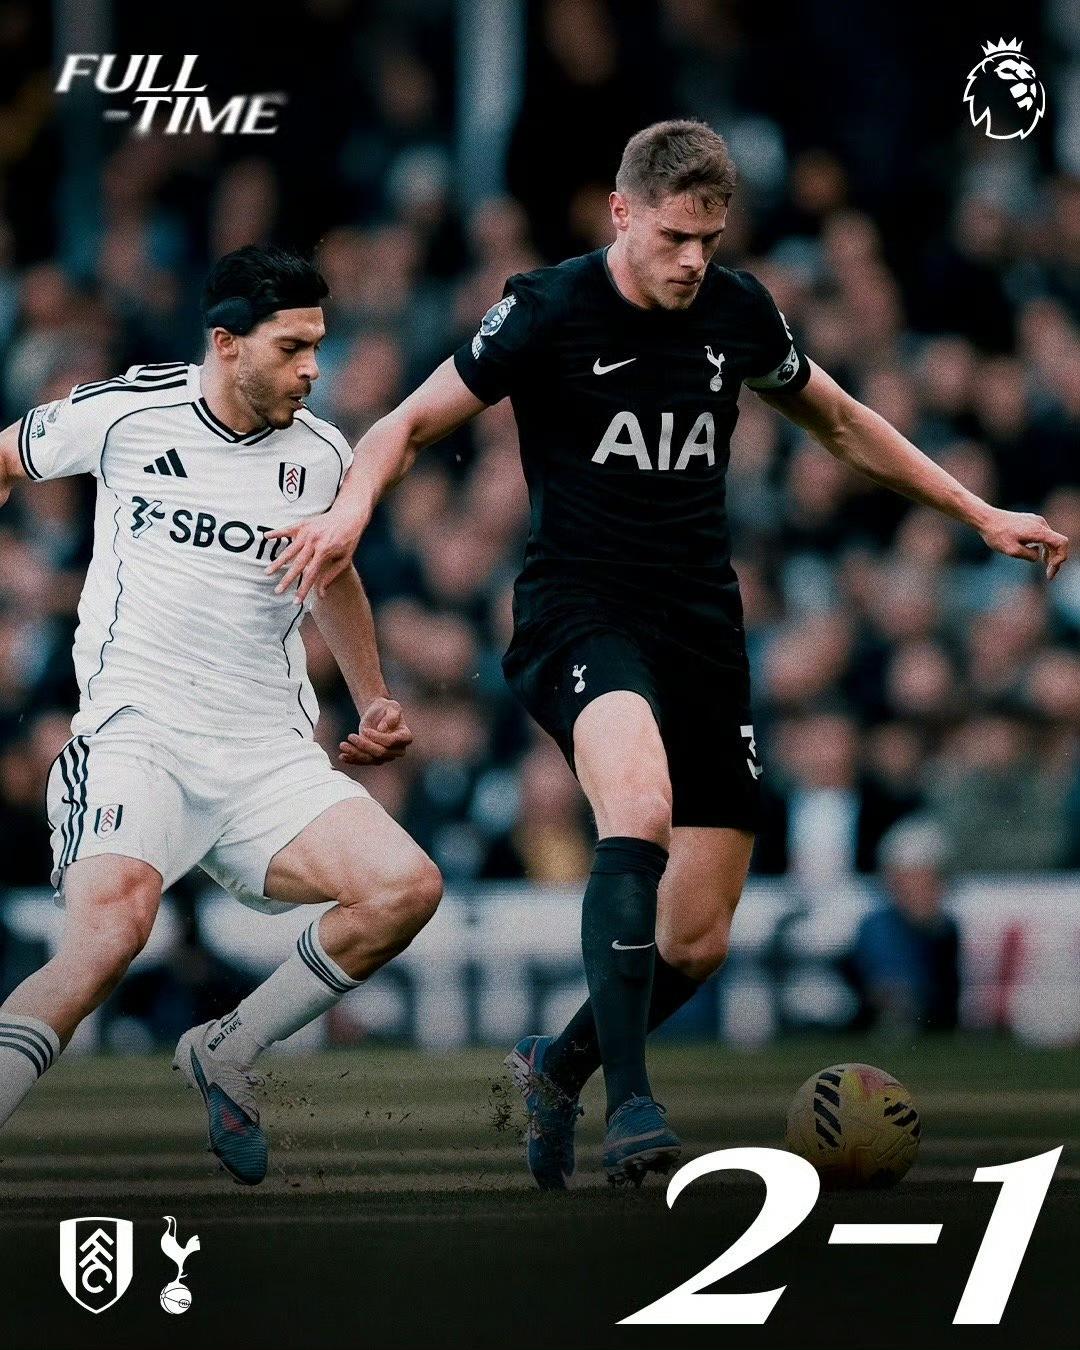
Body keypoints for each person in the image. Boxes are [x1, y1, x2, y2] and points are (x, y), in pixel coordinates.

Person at [265, 121, 1068, 1188]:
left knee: (694, 942)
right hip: (579, 615)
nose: (693, 260)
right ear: (622, 214)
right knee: (636, 805)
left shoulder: (738, 312)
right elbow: (405, 426)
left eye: (710, 239)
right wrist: (352, 509)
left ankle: (558, 1065)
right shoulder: (547, 308)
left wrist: (977, 512)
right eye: (675, 237)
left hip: (702, 632)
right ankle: (633, 1106)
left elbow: (839, 421)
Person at [0, 245, 442, 1186]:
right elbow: (5, 454)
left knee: (404, 888)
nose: (312, 369)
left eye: (318, 346)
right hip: (137, 738)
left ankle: (227, 1048)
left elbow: (331, 574)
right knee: (110, 933)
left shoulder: (322, 455)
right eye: (291, 348)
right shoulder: (126, 413)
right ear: (226, 343)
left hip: (263, 756)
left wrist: (373, 696)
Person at [848, 818, 960, 1032]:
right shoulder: (876, 927)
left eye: (920, 878)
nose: (910, 888)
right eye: (903, 878)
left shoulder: (951, 928)